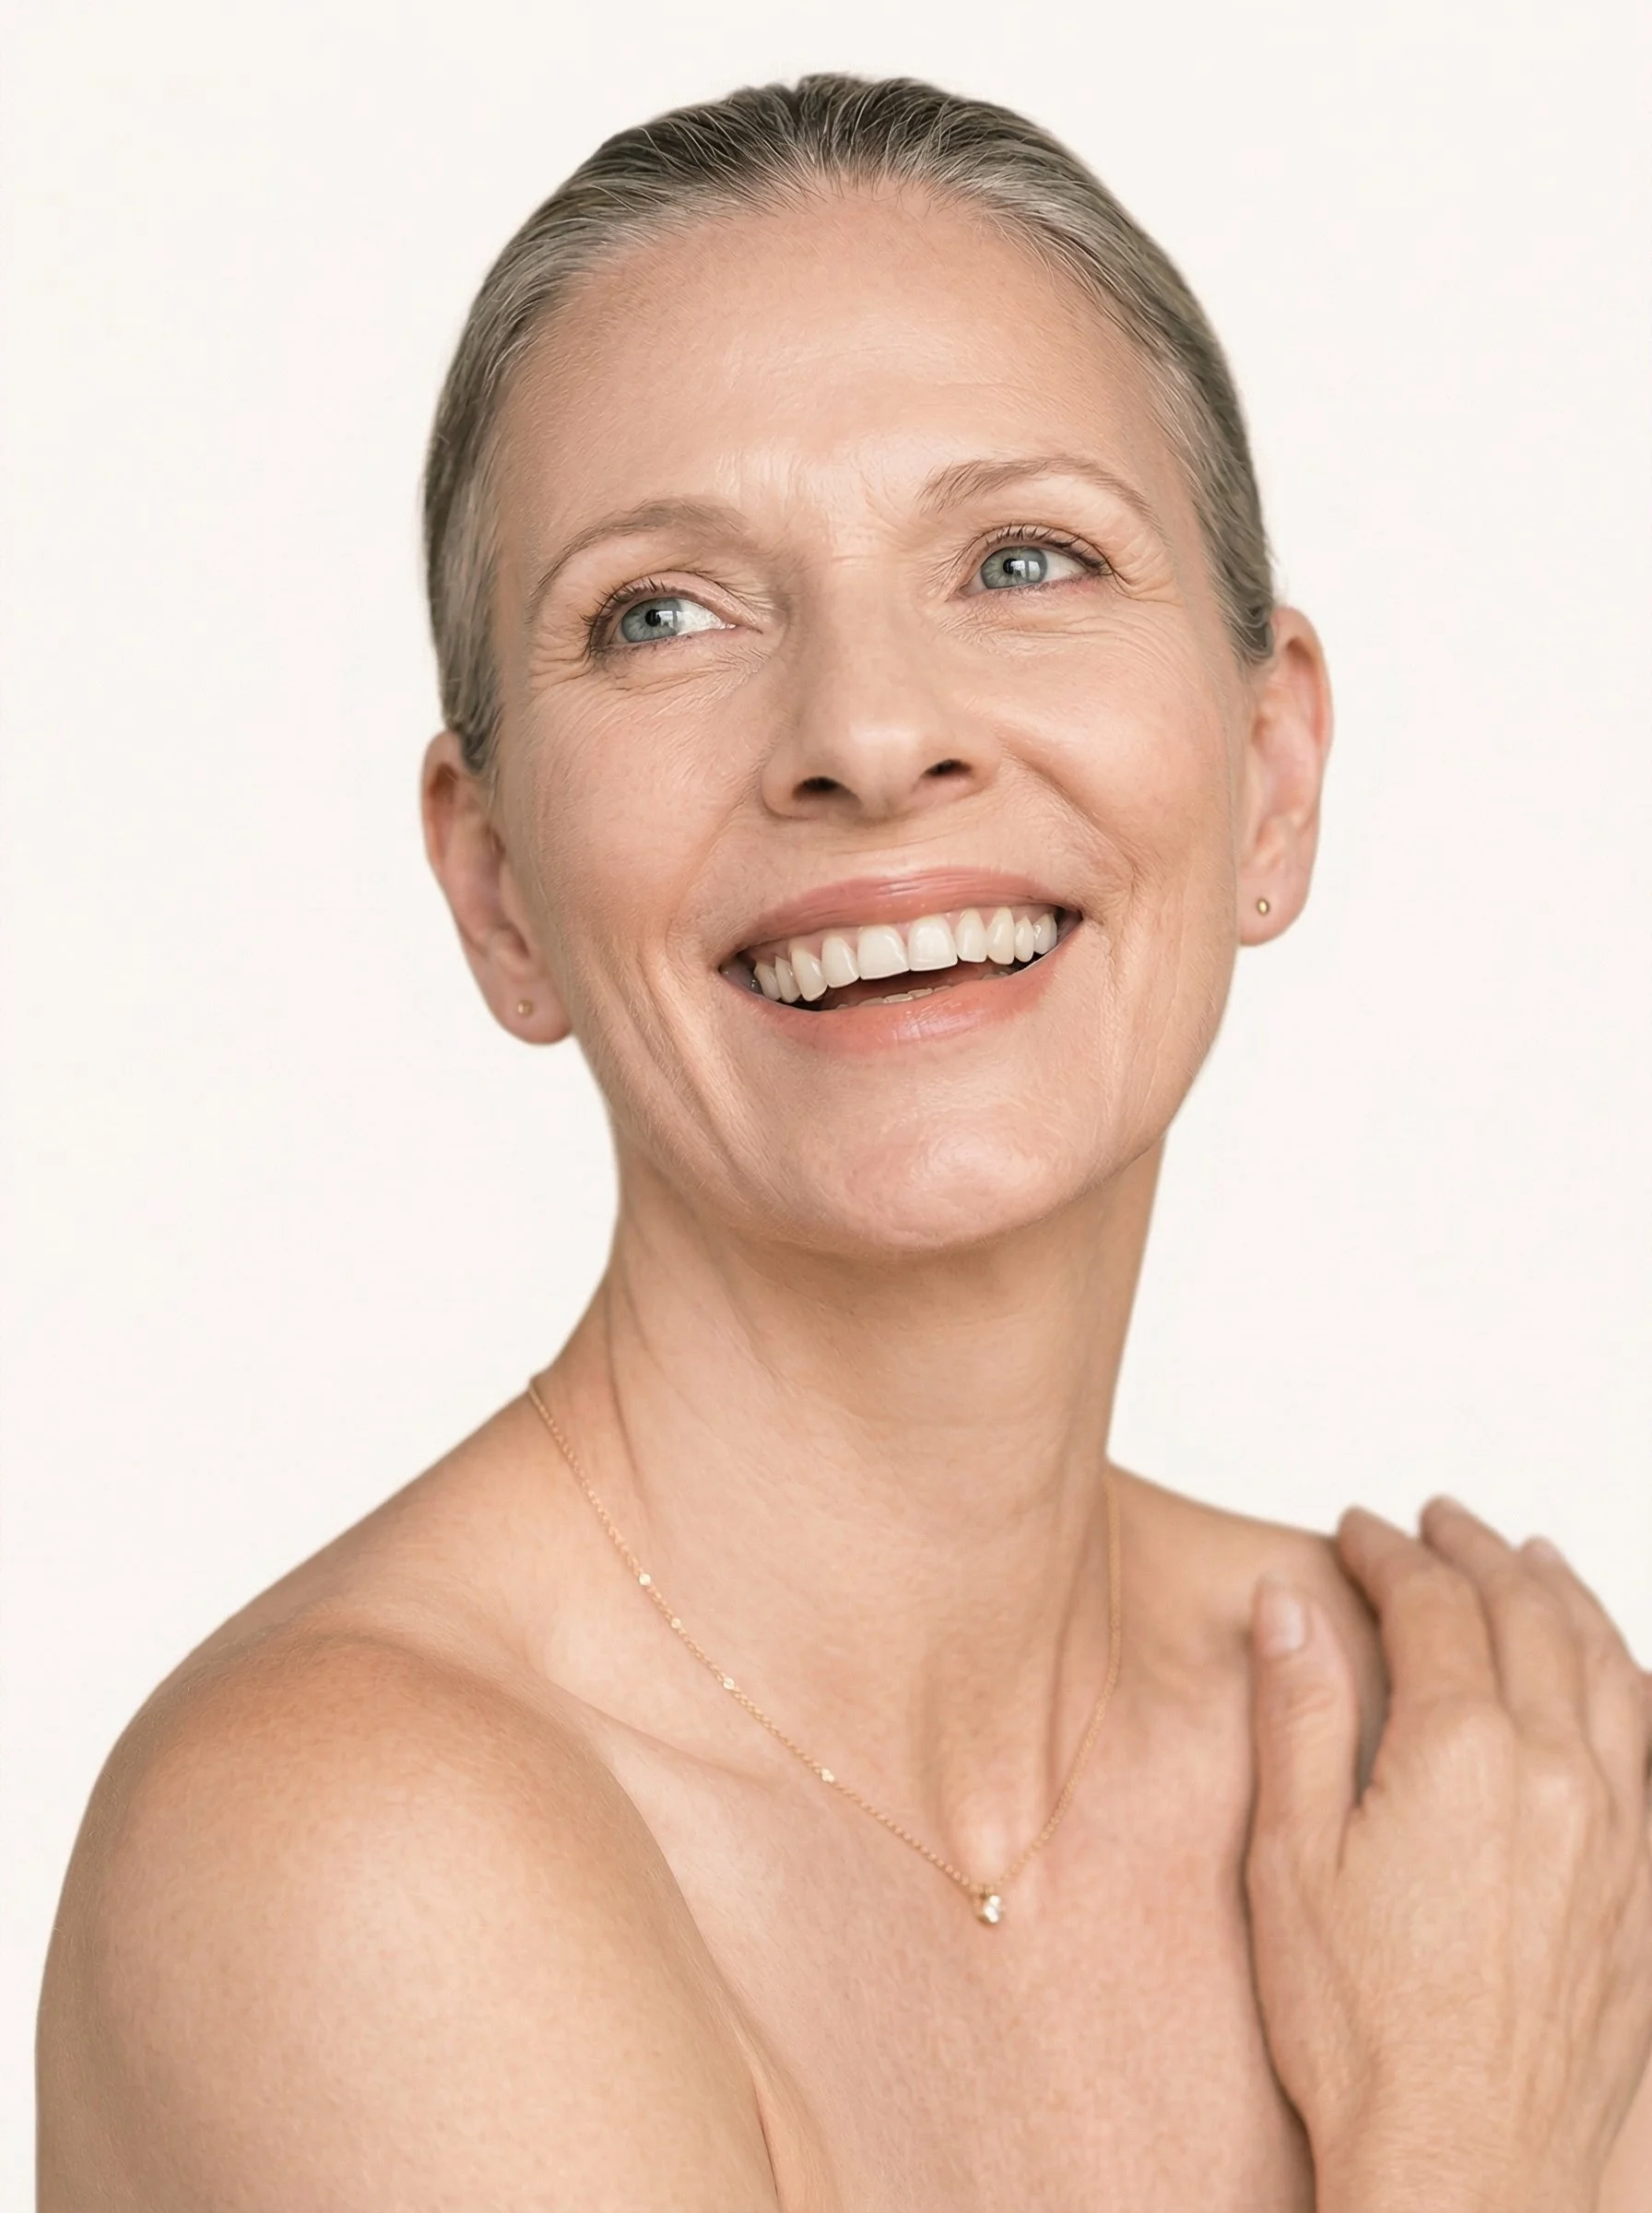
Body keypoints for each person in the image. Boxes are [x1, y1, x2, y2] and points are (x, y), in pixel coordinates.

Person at [37, 75, 1652, 2210]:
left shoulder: (1466, 1775)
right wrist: (1464, 2150)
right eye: (661, 613)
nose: (870, 737)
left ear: (1267, 776)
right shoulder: (345, 1856)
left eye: (1021, 557)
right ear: (495, 883)